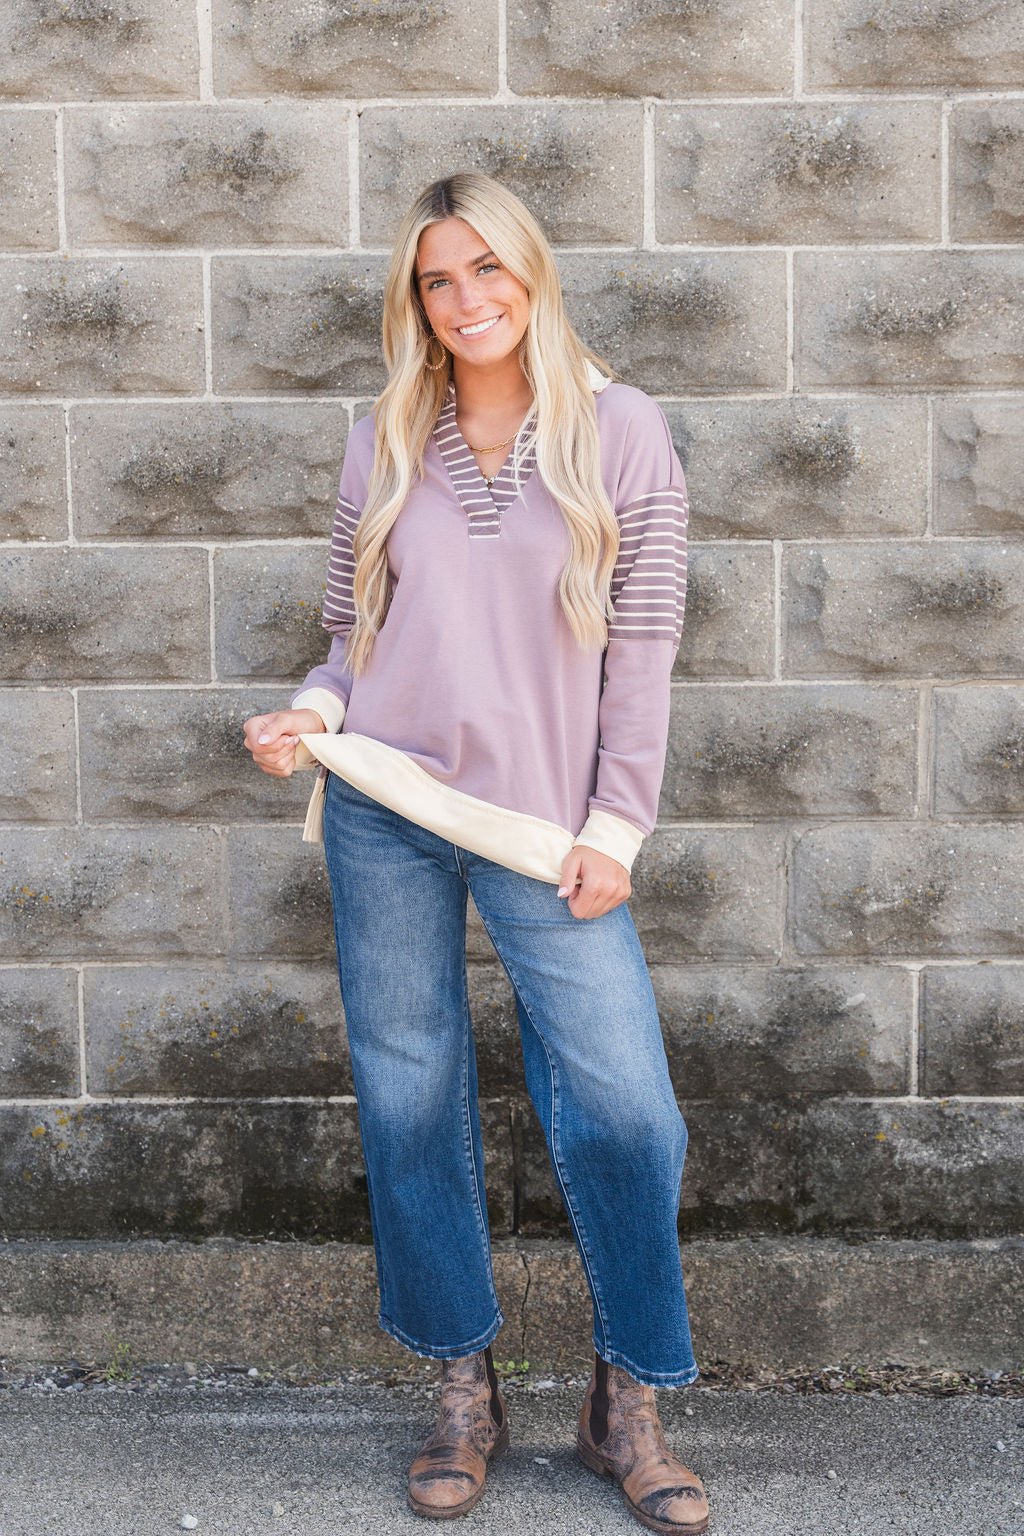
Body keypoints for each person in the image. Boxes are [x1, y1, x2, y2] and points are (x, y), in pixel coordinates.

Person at [243, 171, 709, 1533]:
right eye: (439, 279)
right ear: (418, 298)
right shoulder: (384, 435)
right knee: (409, 1098)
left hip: (544, 827)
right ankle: (462, 1384)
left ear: (532, 270)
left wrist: (618, 824)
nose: (467, 299)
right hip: (383, 803)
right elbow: (352, 636)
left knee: (627, 1109)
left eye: (487, 268)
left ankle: (628, 1396)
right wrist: (312, 714)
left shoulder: (620, 428)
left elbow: (646, 642)